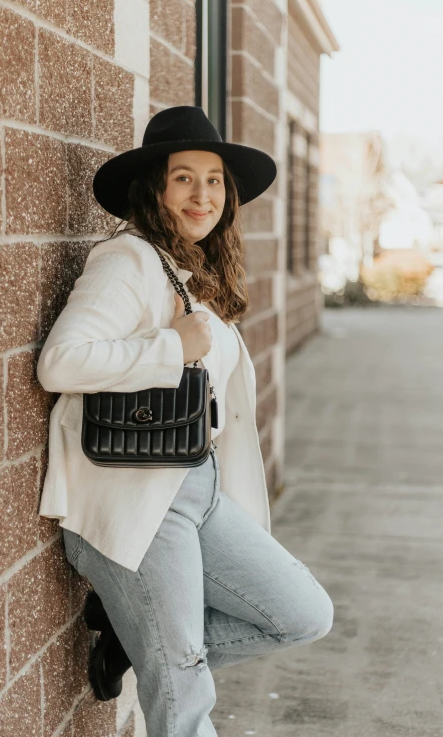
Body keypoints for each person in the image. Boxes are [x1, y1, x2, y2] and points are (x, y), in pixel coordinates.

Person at [36, 105, 333, 737]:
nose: (204, 195)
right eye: (184, 179)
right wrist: (173, 345)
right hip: (137, 496)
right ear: (155, 188)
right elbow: (60, 363)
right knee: (184, 687)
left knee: (302, 613)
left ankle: (132, 639)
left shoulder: (191, 270)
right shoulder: (127, 260)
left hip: (197, 489)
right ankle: (157, 649)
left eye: (215, 181)